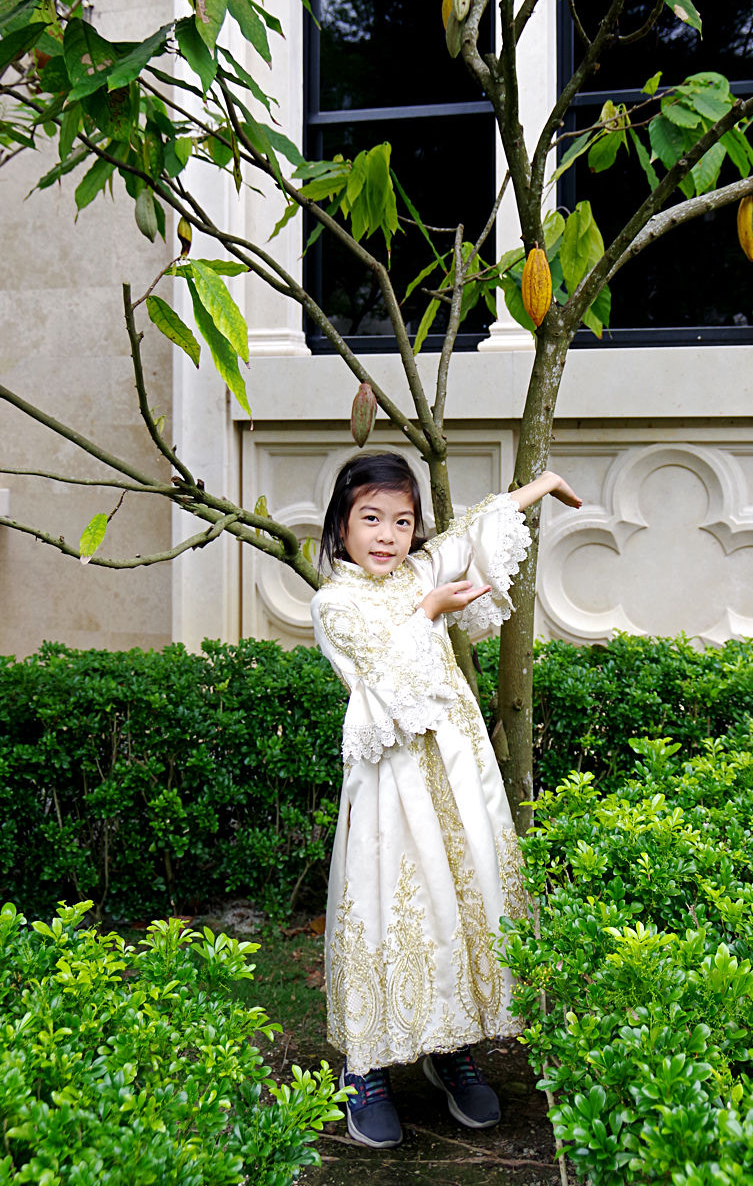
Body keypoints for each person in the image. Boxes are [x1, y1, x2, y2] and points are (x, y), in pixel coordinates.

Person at [311, 450, 581, 1149]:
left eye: (401, 522)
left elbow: (470, 529)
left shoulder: (420, 570)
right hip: (391, 787)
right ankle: (366, 1065)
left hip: (456, 776)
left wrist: (541, 485)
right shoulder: (334, 604)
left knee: (462, 896)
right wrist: (429, 610)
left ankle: (451, 1045)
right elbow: (379, 690)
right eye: (370, 518)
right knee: (389, 900)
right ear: (341, 524)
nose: (386, 535)